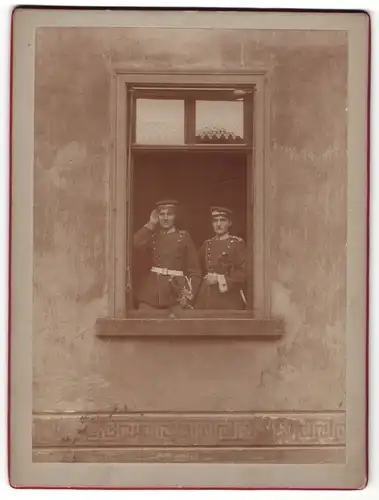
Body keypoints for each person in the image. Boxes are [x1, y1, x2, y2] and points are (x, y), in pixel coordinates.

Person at [133, 199, 201, 310]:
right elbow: (135, 243)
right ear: (157, 216)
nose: (165, 218)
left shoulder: (184, 238)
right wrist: (150, 224)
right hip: (151, 294)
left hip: (176, 293)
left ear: (175, 216)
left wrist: (188, 294)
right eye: (161, 214)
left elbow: (195, 272)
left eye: (169, 214)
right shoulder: (152, 236)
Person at [196, 206, 247, 310]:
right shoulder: (206, 244)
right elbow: (195, 269)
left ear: (230, 223)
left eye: (222, 220)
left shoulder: (237, 244)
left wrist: (218, 280)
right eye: (215, 221)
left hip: (228, 298)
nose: (218, 224)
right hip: (206, 295)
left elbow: (243, 274)